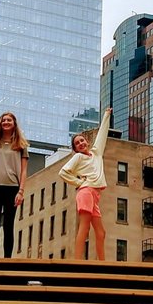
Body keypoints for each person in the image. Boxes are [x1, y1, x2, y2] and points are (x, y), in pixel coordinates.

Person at [59, 107, 112, 260]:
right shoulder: (78, 158)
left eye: (82, 140)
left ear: (87, 142)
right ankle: (77, 261)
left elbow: (102, 135)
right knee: (85, 226)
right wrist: (79, 182)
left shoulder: (96, 153)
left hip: (94, 195)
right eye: (77, 143)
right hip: (86, 192)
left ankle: (102, 263)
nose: (81, 143)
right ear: (75, 149)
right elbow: (63, 172)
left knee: (101, 232)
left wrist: (106, 115)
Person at [0, 112, 28, 258]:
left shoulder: (21, 145)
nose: (6, 122)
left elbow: (24, 170)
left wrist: (21, 191)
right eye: (4, 120)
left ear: (14, 123)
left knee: (9, 226)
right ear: (0, 123)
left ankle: (7, 259)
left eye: (9, 120)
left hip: (13, 189)